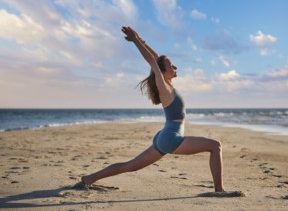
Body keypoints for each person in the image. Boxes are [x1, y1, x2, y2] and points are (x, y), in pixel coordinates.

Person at [79, 26, 225, 192]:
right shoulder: (164, 87)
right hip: (170, 138)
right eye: (172, 66)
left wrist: (141, 39)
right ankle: (219, 190)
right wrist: (135, 41)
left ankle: (89, 178)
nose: (175, 67)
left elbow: (156, 58)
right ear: (163, 72)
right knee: (215, 146)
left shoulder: (168, 85)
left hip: (164, 136)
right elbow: (152, 61)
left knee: (131, 165)